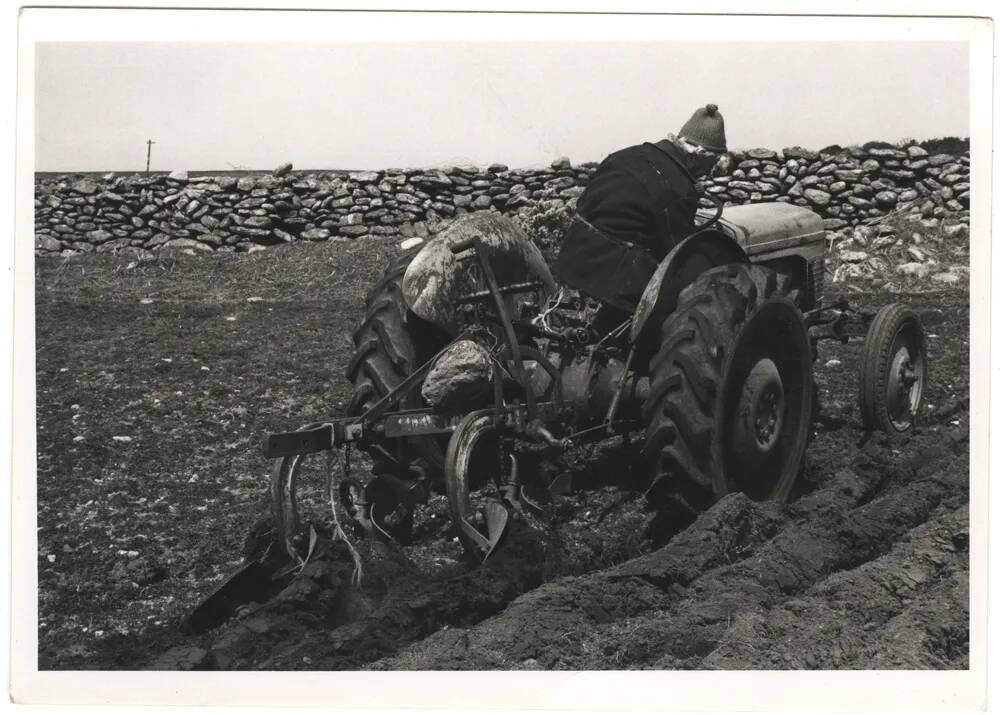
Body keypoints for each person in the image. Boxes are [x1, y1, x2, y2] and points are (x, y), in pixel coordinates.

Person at [552, 104, 728, 316]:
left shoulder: (625, 156)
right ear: (697, 156)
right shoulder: (677, 188)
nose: (709, 172)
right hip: (618, 283)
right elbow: (676, 251)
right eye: (712, 163)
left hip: (573, 258)